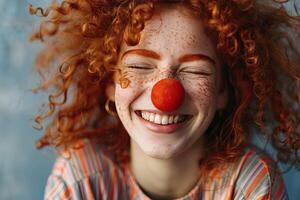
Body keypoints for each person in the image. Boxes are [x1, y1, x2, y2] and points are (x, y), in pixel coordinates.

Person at [29, 0, 300, 199]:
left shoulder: (250, 181)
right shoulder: (81, 178)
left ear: (223, 91)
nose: (165, 97)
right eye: (138, 66)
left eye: (195, 70)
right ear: (109, 84)